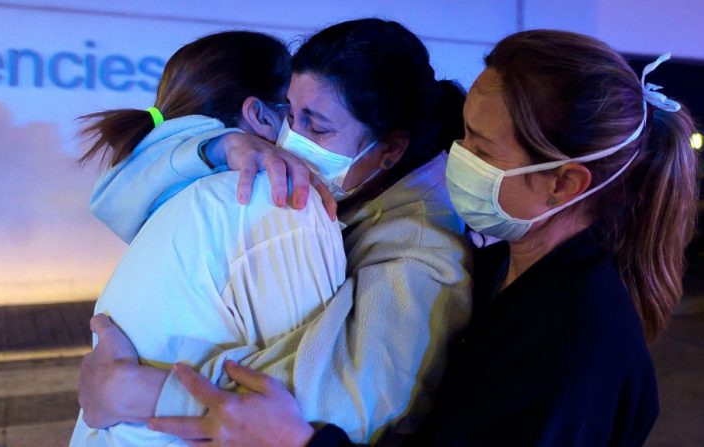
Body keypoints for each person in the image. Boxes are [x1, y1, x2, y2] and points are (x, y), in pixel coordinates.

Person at [141, 29, 697, 446]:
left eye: (480, 149)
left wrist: (294, 441)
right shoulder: (506, 265)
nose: (454, 161)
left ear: (564, 184)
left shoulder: (573, 346)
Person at [76, 19, 472, 444]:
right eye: (291, 113)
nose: (291, 138)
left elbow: (356, 404)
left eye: (317, 126)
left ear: (390, 149)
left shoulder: (421, 245)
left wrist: (147, 391)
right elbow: (117, 200)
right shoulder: (351, 192)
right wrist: (217, 147)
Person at [69, 30, 347, 446]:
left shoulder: (168, 190)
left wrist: (134, 391)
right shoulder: (269, 198)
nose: (301, 132)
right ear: (260, 115)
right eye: (293, 112)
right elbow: (304, 405)